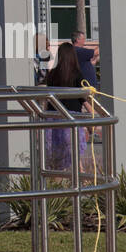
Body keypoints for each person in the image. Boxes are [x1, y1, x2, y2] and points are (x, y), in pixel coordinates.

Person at [43, 41, 94, 174]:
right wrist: (92, 116)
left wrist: (43, 114)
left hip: (54, 118)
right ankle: (81, 183)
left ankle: (57, 187)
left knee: (57, 158)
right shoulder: (77, 75)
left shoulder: (52, 74)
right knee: (75, 156)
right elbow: (83, 98)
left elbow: (48, 97)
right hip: (72, 118)